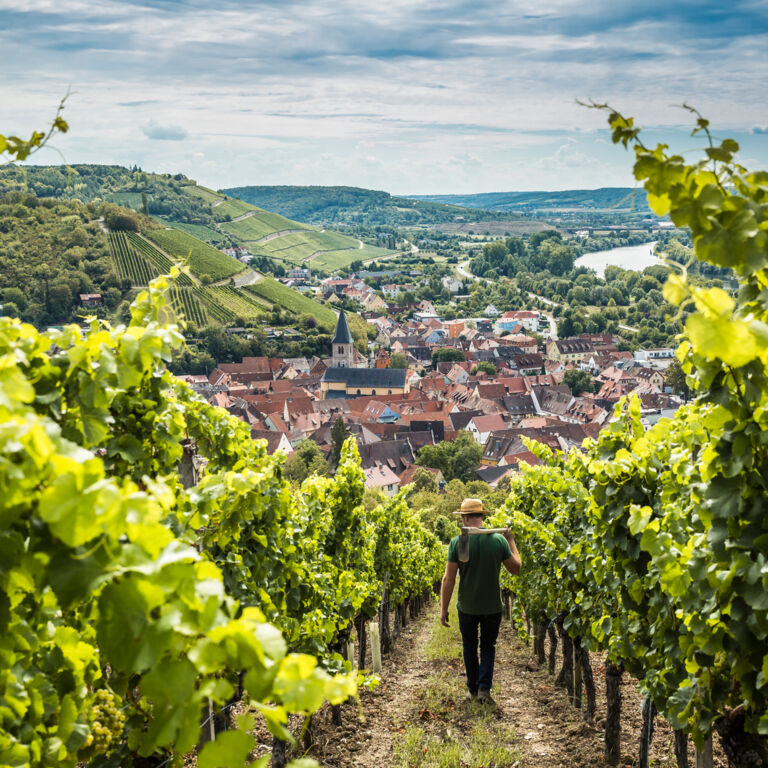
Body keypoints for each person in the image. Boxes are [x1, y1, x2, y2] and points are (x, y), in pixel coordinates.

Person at [440, 497, 521, 705]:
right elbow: (516, 568)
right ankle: (484, 690)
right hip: (492, 606)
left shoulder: (459, 542)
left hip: (467, 606)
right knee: (487, 646)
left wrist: (444, 609)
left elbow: (449, 579)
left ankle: (473, 690)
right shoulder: (498, 540)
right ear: (481, 517)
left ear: (465, 518)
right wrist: (511, 540)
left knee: (469, 645)